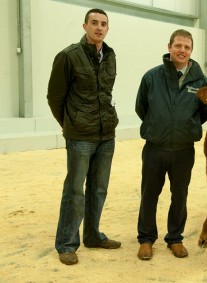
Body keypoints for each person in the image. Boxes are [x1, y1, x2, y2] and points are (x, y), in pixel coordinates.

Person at [47, 8, 121, 265]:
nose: (99, 27)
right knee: (75, 191)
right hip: (80, 136)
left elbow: (106, 94)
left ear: (107, 29)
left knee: (98, 189)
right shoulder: (68, 56)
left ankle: (92, 235)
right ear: (85, 26)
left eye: (103, 24)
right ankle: (67, 243)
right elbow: (55, 98)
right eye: (94, 23)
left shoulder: (110, 56)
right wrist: (71, 124)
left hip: (106, 135)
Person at [135, 29, 207, 260]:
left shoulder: (201, 81)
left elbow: (204, 112)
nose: (182, 50)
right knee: (149, 195)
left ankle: (175, 238)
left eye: (187, 47)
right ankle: (146, 240)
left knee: (180, 196)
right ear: (169, 46)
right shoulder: (152, 77)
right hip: (155, 148)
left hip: (183, 150)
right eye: (178, 45)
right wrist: (158, 125)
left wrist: (185, 127)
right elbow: (142, 108)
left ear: (191, 51)